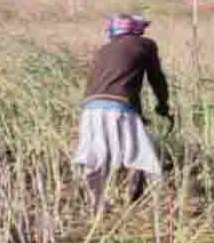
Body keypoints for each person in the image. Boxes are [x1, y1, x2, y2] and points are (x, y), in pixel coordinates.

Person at [73, 13, 172, 210]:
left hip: (90, 108)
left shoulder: (104, 50)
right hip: (119, 107)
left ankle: (97, 204)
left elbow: (113, 85)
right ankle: (138, 202)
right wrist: (163, 105)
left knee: (97, 156)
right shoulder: (145, 45)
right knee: (140, 155)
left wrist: (138, 115)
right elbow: (156, 79)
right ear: (137, 30)